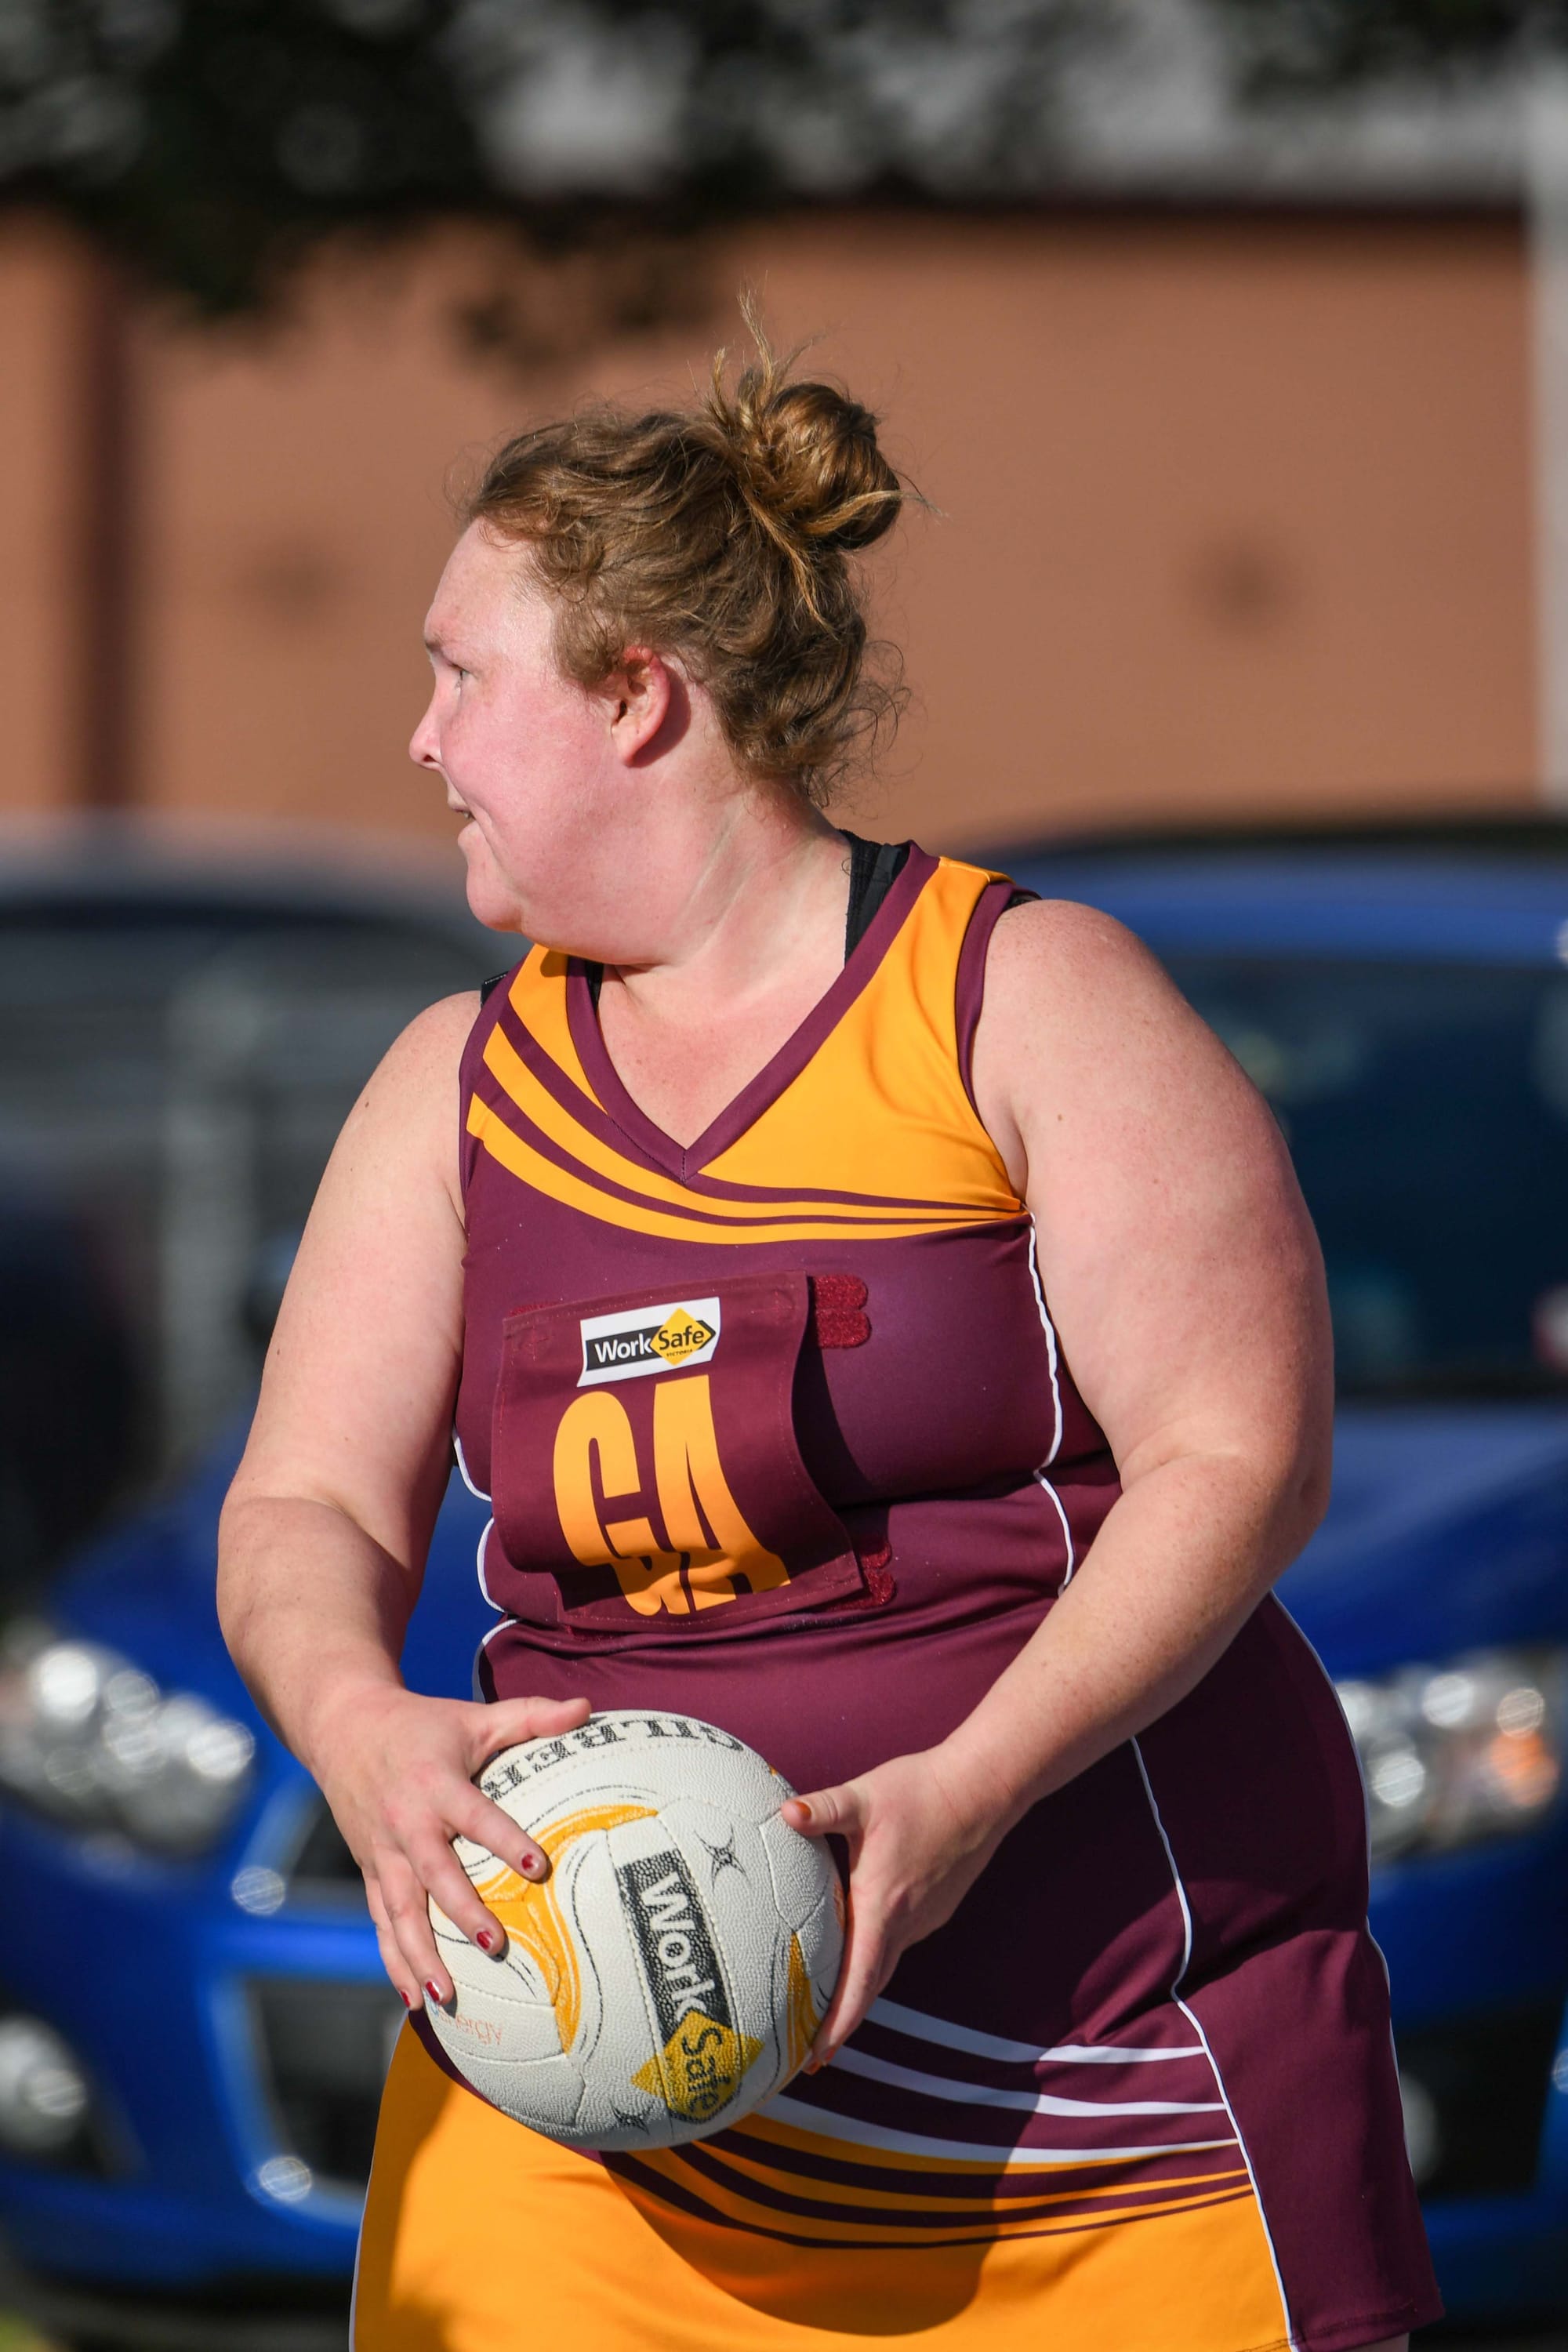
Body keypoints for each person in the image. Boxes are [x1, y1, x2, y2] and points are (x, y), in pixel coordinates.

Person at [217, 315, 1440, 2352]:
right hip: (597, 2089)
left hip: (1097, 2100)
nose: (421, 741)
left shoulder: (1022, 998)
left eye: (460, 675)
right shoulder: (456, 1084)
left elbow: (1241, 1460)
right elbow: (304, 1504)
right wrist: (353, 1721)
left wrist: (970, 1787)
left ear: (635, 696)